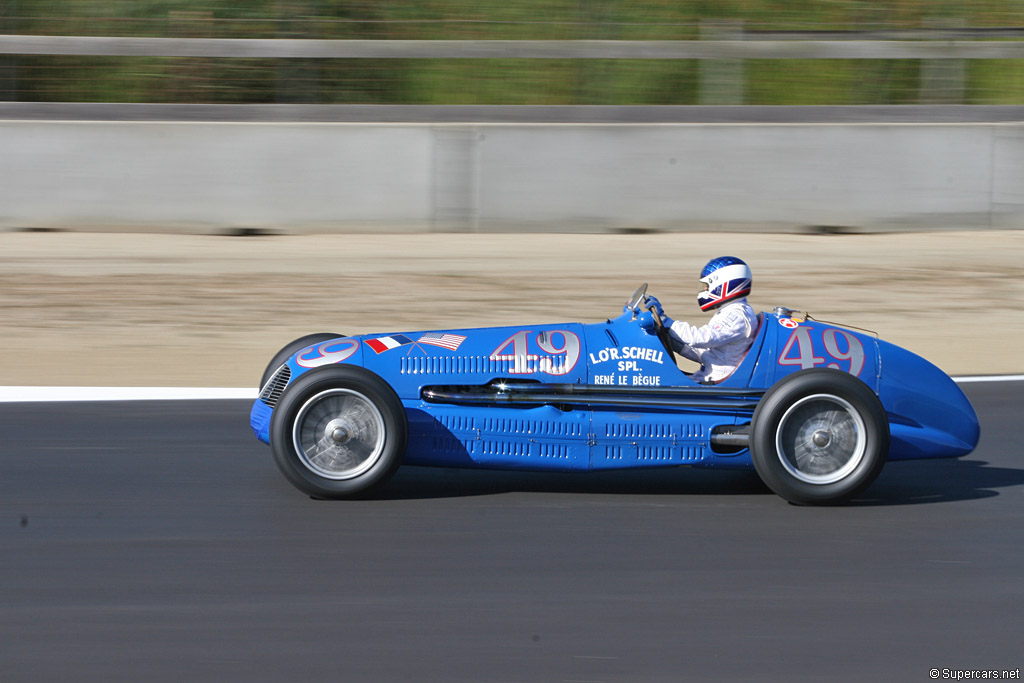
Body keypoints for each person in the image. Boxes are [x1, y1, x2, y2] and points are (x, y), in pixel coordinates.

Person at [641, 256, 759, 384]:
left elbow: (700, 338)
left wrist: (666, 321)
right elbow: (708, 355)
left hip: (715, 382)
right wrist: (671, 341)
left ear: (723, 284)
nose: (703, 290)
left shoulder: (737, 316)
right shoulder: (731, 311)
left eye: (707, 286)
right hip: (708, 376)